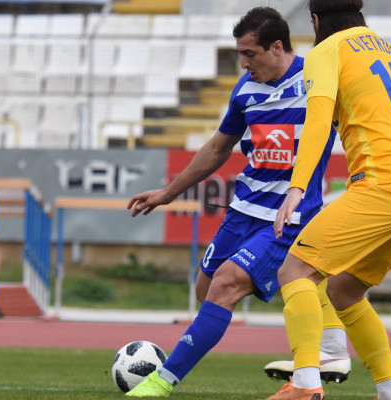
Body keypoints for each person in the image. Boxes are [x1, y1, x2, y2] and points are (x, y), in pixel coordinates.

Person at [125, 7, 350, 397]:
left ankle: (160, 383)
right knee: (206, 290)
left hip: (288, 215)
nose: (244, 64)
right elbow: (218, 147)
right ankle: (327, 336)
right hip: (242, 211)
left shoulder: (318, 78)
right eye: (240, 55)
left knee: (226, 284)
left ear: (276, 47)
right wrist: (168, 192)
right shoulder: (245, 90)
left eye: (249, 54)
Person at [263, 0, 391, 399]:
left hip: (381, 185)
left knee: (295, 271)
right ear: (361, 16)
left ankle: (305, 384)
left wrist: (296, 188)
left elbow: (317, 121)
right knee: (344, 292)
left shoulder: (325, 51)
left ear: (316, 21)